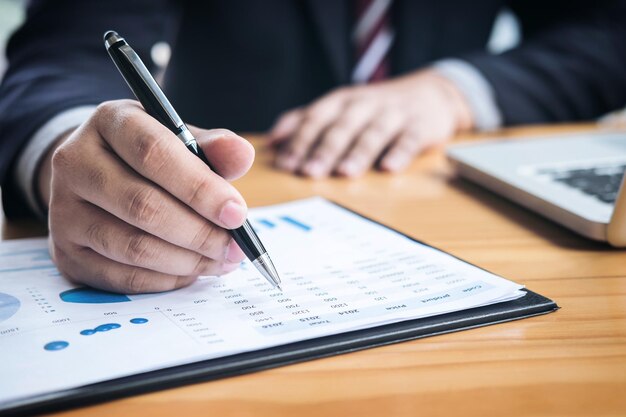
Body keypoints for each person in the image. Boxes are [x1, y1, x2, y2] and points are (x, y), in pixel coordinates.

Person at [0, 0, 625, 293]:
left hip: (429, 187)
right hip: (245, 175)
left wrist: (459, 89)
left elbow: (606, 32)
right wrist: (74, 154)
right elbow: (65, 53)